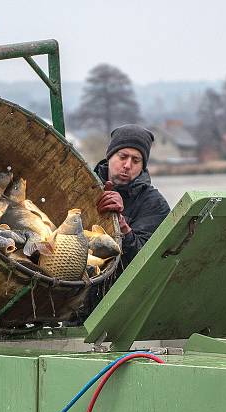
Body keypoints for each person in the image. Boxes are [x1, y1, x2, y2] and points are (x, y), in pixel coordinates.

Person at [72, 124, 171, 323]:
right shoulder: (80, 187)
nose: (127, 165)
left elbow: (148, 263)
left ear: (143, 166)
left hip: (121, 310)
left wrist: (121, 225)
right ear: (109, 157)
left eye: (136, 160)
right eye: (122, 156)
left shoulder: (154, 204)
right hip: (73, 304)